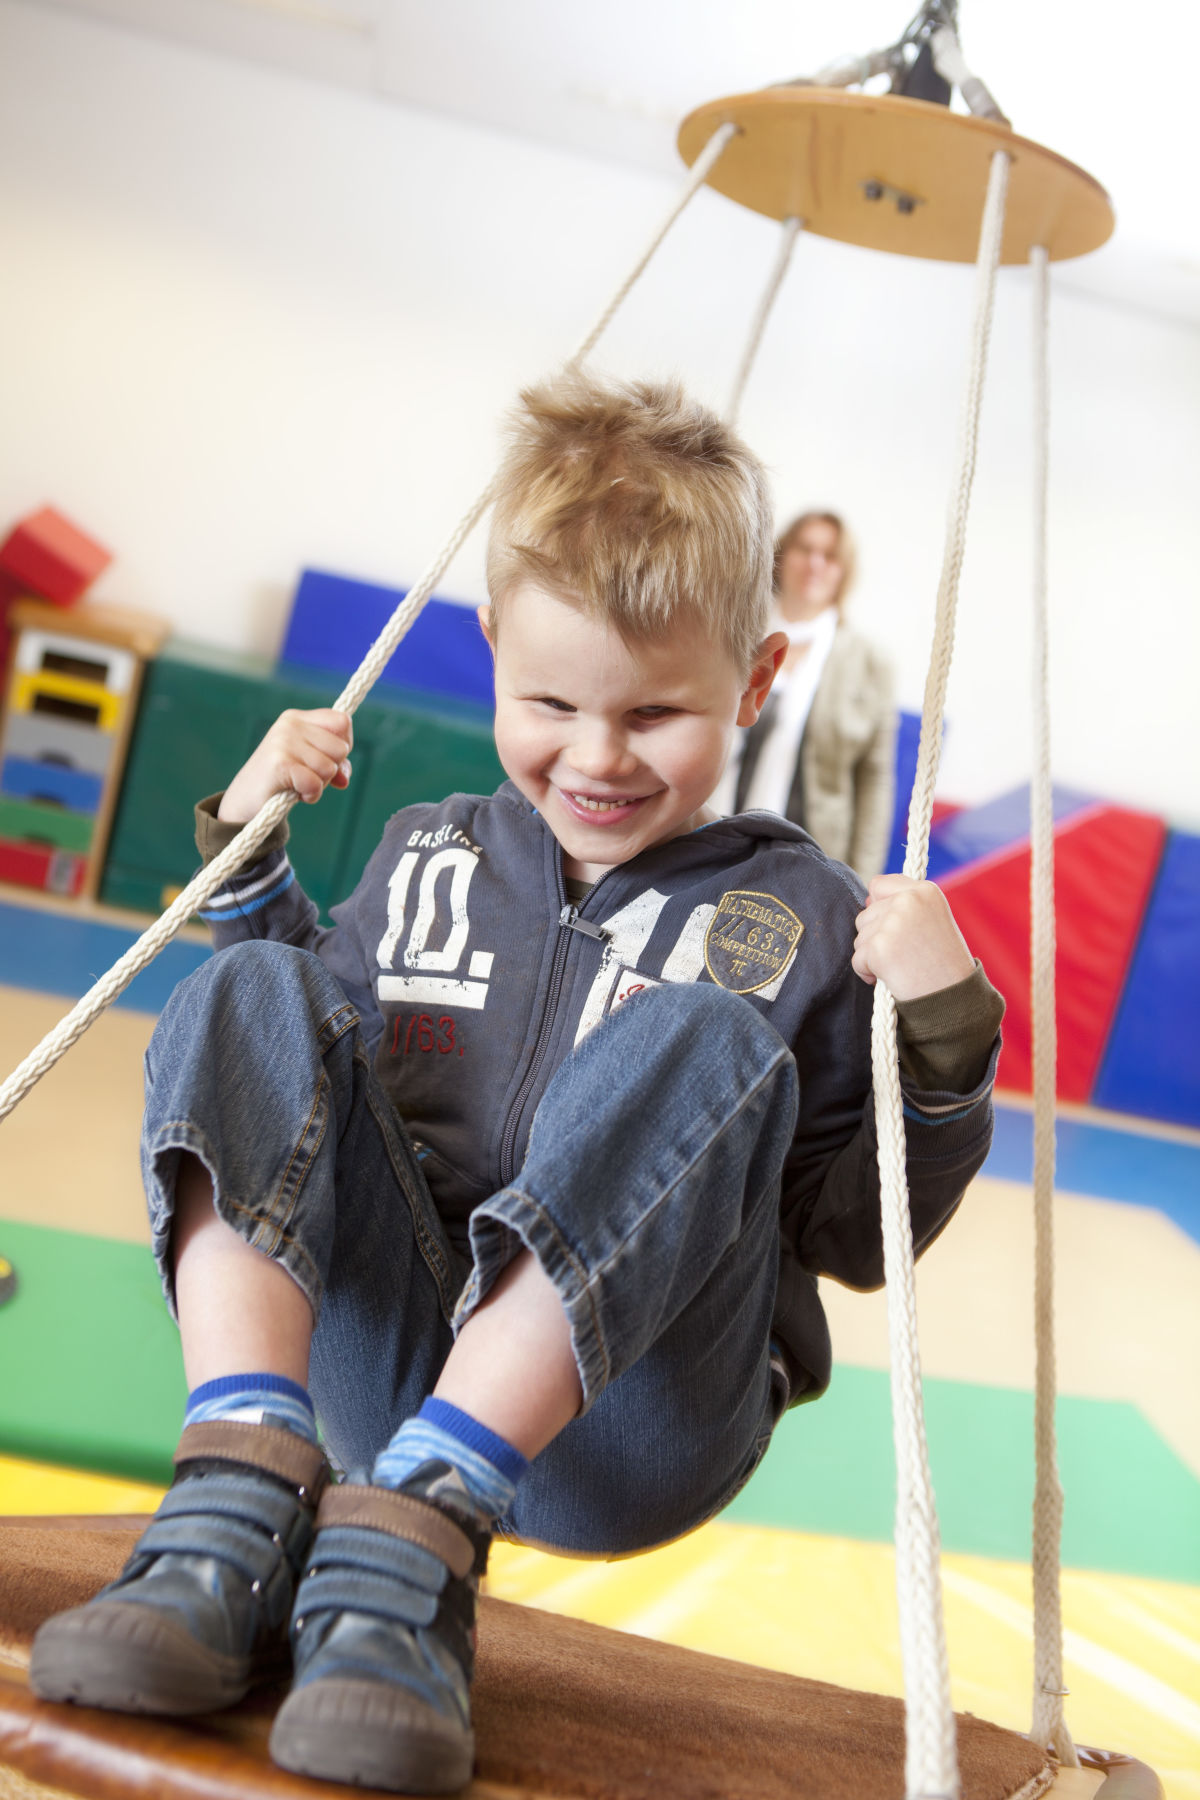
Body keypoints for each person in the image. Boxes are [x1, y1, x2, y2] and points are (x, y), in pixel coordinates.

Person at [31, 372, 1003, 1796]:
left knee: (705, 1036)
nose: (597, 758)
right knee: (252, 985)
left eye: (657, 715)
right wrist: (251, 861)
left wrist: (941, 1038)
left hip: (630, 1422)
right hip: (384, 1379)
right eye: (550, 701)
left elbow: (858, 1240)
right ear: (491, 650)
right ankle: (240, 1483)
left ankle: (426, 1507)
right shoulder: (431, 847)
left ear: (756, 679)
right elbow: (304, 1077)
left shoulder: (799, 915)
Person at [713, 510, 896, 881]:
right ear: (781, 556)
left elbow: (874, 778)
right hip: (709, 832)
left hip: (806, 856)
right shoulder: (734, 631)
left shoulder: (868, 661)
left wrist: (862, 880)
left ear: (843, 570)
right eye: (805, 549)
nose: (815, 563)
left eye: (829, 556)